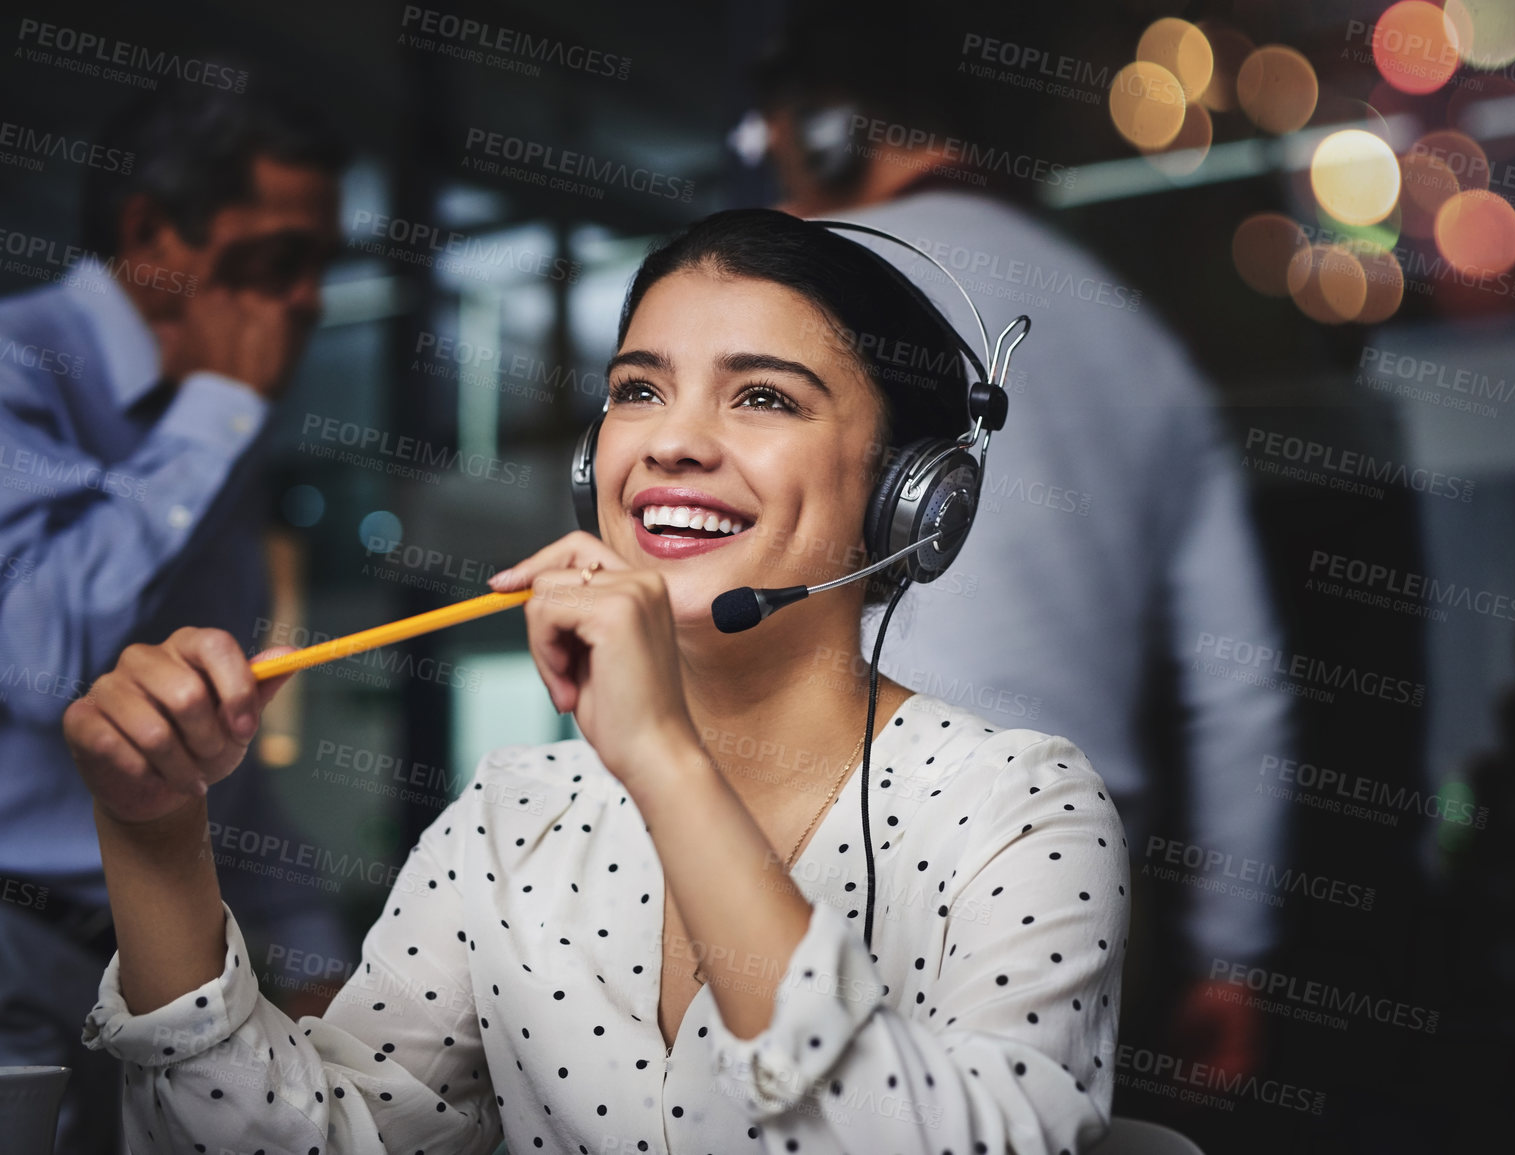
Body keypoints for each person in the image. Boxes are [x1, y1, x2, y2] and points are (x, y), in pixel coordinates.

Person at [69, 208, 1132, 1155]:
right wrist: (157, 837)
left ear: (911, 498)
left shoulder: (1018, 808)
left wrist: (669, 766)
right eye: (638, 391)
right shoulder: (509, 818)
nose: (671, 442)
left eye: (763, 397)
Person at [745, 6, 1294, 1078]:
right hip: (1070, 882)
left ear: (820, 130)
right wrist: (1237, 956)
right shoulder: (1139, 337)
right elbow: (1243, 685)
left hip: (801, 854)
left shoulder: (794, 296)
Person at [0, 83, 349, 1153]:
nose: (306, 302)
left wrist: (312, 944)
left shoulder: (212, 434)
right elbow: (37, 658)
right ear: (151, 234)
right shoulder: (18, 364)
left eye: (317, 268)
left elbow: (213, 738)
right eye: (275, 260)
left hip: (161, 966)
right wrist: (217, 410)